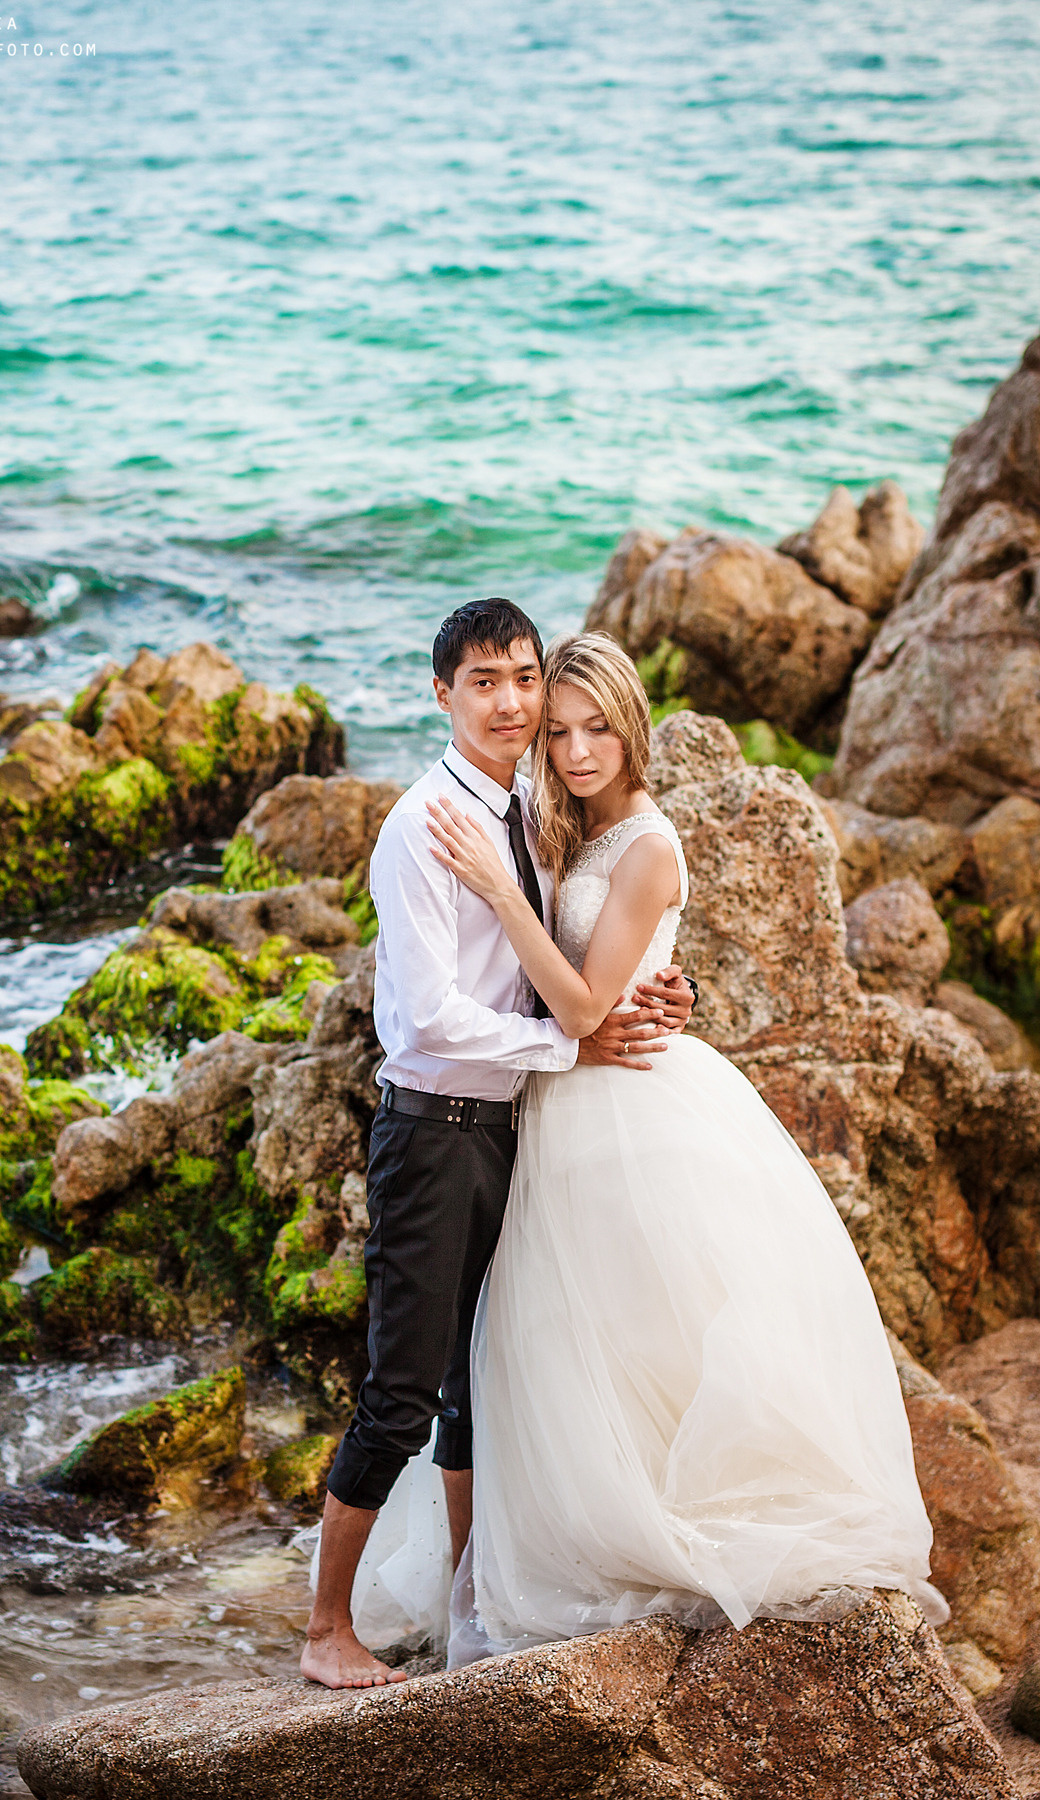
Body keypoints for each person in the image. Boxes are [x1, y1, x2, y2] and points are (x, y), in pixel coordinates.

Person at [413, 629, 946, 1659]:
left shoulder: (649, 848)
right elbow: (573, 989)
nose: (575, 751)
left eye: (597, 729)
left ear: (632, 727)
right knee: (555, 1335)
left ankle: (645, 1520)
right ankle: (534, 1533)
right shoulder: (557, 823)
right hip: (559, 1103)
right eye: (558, 732)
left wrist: (499, 892)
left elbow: (577, 1006)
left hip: (627, 1109)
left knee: (629, 1323)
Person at [299, 601, 697, 1689]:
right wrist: (571, 1043)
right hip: (434, 1131)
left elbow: (583, 938)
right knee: (402, 1388)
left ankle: (469, 1596)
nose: (516, 704)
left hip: (512, 1128)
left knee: (480, 1384)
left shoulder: (529, 801)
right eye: (487, 682)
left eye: (525, 677)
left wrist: (662, 981)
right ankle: (328, 1629)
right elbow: (427, 1020)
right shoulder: (425, 824)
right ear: (443, 694)